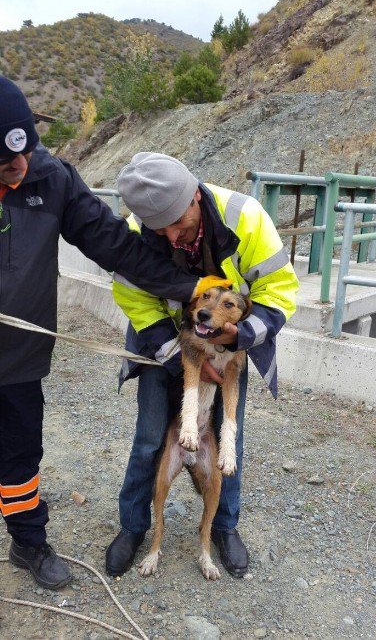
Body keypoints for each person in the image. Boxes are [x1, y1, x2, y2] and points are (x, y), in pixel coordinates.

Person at [0, 77, 228, 591]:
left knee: (19, 454)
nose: (19, 167)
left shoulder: (51, 177)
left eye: (26, 150)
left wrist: (192, 285)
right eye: (4, 161)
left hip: (18, 358)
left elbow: (116, 247)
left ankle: (28, 543)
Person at [106, 152, 299, 579]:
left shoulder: (246, 217)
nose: (172, 237)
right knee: (149, 436)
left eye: (178, 223)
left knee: (232, 438)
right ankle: (133, 526)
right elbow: (133, 296)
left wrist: (239, 337)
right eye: (161, 230)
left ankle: (224, 528)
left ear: (195, 196)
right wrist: (177, 356)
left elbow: (280, 291)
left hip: (231, 340)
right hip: (164, 339)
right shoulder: (141, 229)